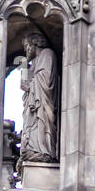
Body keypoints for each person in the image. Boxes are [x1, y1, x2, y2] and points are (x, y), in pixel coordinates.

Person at [19, 32, 58, 162]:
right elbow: (24, 86)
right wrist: (25, 69)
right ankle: (32, 149)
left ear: (35, 43)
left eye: (27, 46)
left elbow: (46, 79)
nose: (26, 50)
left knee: (42, 123)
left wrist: (32, 82)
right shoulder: (34, 61)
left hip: (42, 101)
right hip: (33, 103)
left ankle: (43, 151)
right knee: (31, 125)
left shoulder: (47, 53)